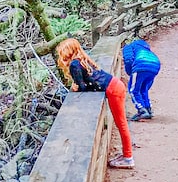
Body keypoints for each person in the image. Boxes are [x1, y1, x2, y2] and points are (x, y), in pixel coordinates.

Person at [56, 39, 134, 169]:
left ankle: (128, 157)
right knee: (121, 123)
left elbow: (83, 87)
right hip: (115, 85)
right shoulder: (82, 59)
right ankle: (127, 155)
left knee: (121, 123)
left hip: (113, 90)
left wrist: (76, 88)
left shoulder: (75, 65)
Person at [122, 38, 161, 121]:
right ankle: (148, 108)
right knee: (144, 88)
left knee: (133, 90)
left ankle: (141, 110)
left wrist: (131, 72)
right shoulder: (145, 47)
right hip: (155, 65)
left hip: (141, 64)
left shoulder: (129, 46)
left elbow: (128, 59)